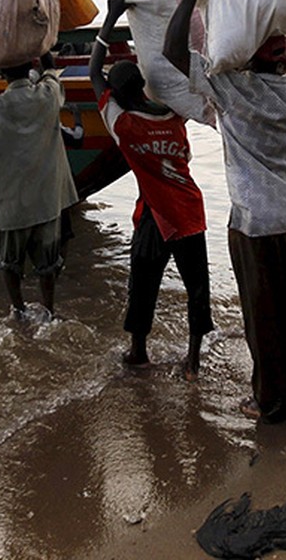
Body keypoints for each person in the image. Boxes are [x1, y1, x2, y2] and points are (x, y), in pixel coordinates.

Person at [165, 0, 286, 422]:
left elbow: (173, 53)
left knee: (263, 319)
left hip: (255, 222)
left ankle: (269, 400)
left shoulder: (229, 88)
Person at [90, 20, 214, 379]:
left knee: (143, 283)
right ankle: (192, 362)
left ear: (117, 94)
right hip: (190, 210)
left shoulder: (124, 125)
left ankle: (138, 353)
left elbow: (94, 71)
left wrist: (110, 16)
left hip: (156, 216)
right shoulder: (174, 118)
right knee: (197, 287)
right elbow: (185, 159)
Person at [0, 52, 79, 319]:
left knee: (8, 263)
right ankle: (49, 311)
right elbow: (51, 71)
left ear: (0, 74)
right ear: (30, 65)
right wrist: (40, 48)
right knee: (47, 264)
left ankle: (17, 310)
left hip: (11, 204)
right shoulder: (48, 95)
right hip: (46, 200)